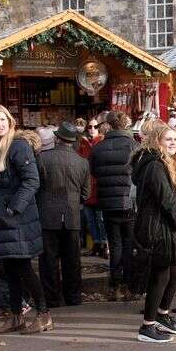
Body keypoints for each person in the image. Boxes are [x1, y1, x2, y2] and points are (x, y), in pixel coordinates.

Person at [0, 105, 47, 335]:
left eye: (2, 120)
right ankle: (16, 316)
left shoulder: (17, 145)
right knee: (9, 269)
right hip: (3, 219)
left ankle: (43, 313)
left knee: (23, 268)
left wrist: (13, 209)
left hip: (17, 219)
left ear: (10, 122)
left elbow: (32, 180)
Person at [131, 124, 176, 343]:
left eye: (175, 139)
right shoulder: (155, 165)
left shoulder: (161, 163)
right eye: (168, 139)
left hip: (164, 224)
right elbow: (166, 199)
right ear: (157, 141)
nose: (173, 143)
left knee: (174, 272)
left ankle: (162, 315)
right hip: (157, 226)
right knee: (161, 274)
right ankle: (147, 325)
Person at [37, 122, 90, 309]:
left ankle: (52, 299)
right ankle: (73, 297)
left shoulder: (42, 158)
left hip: (47, 215)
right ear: (73, 140)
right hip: (72, 215)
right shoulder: (82, 162)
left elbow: (36, 187)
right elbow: (86, 193)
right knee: (72, 259)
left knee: (48, 260)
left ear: (57, 138)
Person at [90, 110, 139, 300]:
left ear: (108, 125)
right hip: (128, 201)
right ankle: (129, 284)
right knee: (129, 244)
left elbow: (94, 172)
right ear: (126, 125)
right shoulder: (134, 146)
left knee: (115, 243)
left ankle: (115, 284)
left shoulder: (98, 148)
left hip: (107, 201)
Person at [79, 118, 108, 259]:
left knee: (100, 218)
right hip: (86, 187)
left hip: (99, 187)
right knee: (90, 219)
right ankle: (96, 244)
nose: (92, 129)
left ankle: (103, 244)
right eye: (89, 126)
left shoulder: (102, 143)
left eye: (95, 126)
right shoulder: (83, 144)